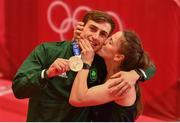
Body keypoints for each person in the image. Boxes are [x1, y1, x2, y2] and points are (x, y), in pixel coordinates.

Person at [12, 10, 155, 121]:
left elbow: (148, 65)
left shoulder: (102, 62)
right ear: (81, 27)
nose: (96, 37)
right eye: (92, 29)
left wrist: (136, 74)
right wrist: (46, 74)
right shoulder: (48, 51)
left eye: (103, 34)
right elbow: (19, 89)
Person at [69, 30, 152, 121]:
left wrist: (86, 63)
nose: (104, 41)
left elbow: (76, 99)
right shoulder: (104, 67)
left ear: (118, 57)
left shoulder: (120, 82)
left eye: (110, 42)